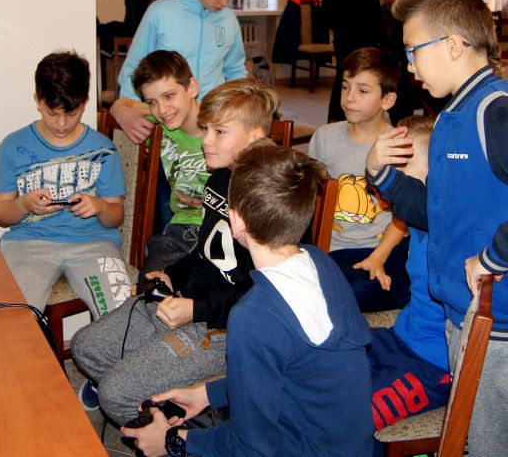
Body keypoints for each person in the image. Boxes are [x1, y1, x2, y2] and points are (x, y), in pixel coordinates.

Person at [122, 141, 374, 457]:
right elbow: (294, 372)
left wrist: (174, 442)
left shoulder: (253, 316)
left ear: (236, 221)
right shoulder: (320, 263)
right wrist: (208, 394)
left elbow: (252, 445)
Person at [71, 79, 278, 424]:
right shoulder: (219, 178)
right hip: (192, 300)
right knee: (86, 347)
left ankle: (176, 434)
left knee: (115, 392)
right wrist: (172, 274)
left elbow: (265, 298)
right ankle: (166, 404)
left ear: (255, 137)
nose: (206, 140)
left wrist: (196, 310)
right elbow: (205, 252)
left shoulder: (269, 199)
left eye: (219, 132)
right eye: (205, 129)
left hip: (229, 327)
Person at [366, 0, 508, 457]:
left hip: (497, 323)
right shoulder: (449, 118)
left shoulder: (494, 111)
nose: (409, 66)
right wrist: (381, 174)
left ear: (452, 45)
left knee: (489, 443)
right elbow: (435, 213)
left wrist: (493, 256)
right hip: (458, 316)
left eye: (413, 50)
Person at [0, 51, 132, 319]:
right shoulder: (12, 146)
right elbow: (1, 214)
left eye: (72, 113)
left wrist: (100, 207)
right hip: (28, 245)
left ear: (85, 102)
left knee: (123, 315)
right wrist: (24, 204)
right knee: (13, 319)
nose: (62, 123)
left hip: (94, 245)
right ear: (37, 100)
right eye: (52, 113)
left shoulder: (104, 150)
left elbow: (116, 216)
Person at [111, 0, 248, 145]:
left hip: (212, 124)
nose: (224, 4)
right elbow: (134, 69)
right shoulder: (161, 12)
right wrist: (128, 109)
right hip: (166, 121)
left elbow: (235, 71)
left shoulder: (228, 19)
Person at [309, 47, 410, 313]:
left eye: (363, 91)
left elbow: (404, 216)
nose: (349, 98)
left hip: (382, 247)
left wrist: (378, 257)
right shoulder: (324, 137)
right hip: (335, 248)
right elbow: (314, 198)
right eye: (345, 87)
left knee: (356, 292)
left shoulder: (400, 147)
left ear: (387, 100)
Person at [368, 115, 450, 435]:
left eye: (404, 166)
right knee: (319, 371)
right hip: (400, 336)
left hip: (433, 364)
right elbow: (399, 223)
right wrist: (379, 255)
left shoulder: (448, 226)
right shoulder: (415, 216)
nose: (395, 177)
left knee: (351, 417)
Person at [131, 50, 209, 274]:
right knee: (149, 285)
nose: (162, 110)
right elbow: (122, 107)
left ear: (192, 88)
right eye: (152, 102)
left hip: (222, 230)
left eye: (169, 96)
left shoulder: (223, 130)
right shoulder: (159, 129)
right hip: (178, 232)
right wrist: (120, 108)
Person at [322, 0, 386, 123]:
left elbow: (327, 8)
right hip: (362, 39)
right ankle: (358, 119)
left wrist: (339, 28)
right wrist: (381, 40)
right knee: (361, 82)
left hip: (342, 37)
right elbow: (372, 11)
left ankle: (334, 120)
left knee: (342, 79)